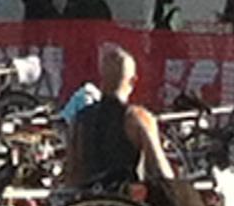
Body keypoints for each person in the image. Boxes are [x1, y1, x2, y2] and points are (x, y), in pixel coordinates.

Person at [65, 45, 173, 189]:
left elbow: (73, 172)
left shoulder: (79, 118)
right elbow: (161, 171)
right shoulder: (136, 117)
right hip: (125, 201)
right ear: (133, 81)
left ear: (101, 78)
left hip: (88, 203)